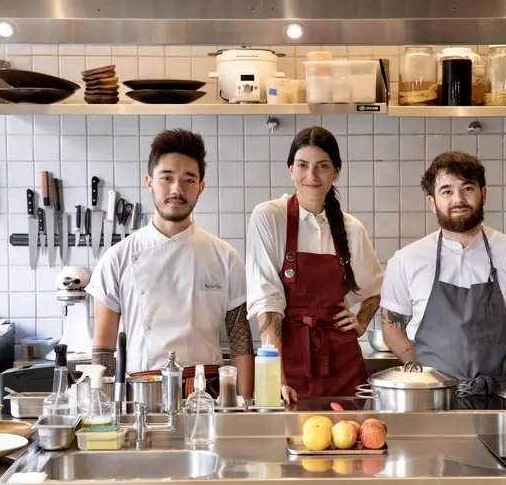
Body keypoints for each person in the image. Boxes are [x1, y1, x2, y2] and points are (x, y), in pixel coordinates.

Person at [86, 129, 254, 399]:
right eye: (167, 178)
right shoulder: (117, 259)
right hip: (142, 394)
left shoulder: (225, 257)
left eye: (189, 179)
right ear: (149, 181)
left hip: (207, 395)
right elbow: (104, 350)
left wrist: (244, 406)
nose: (177, 189)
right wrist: (105, 408)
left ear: (201, 187)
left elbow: (240, 343)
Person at [380, 151, 506, 396]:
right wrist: (432, 377)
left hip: (505, 395)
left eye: (467, 188)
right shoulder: (406, 260)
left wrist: (500, 368)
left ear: (484, 194)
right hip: (433, 398)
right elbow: (392, 332)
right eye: (446, 191)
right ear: (432, 202)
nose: (458, 199)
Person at [246, 126, 384, 403]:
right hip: (290, 364)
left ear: (336, 172)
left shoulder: (351, 228)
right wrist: (275, 375)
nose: (312, 176)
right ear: (291, 170)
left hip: (344, 365)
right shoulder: (270, 217)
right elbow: (267, 300)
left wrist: (362, 320)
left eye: (322, 166)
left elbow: (376, 289)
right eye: (302, 165)